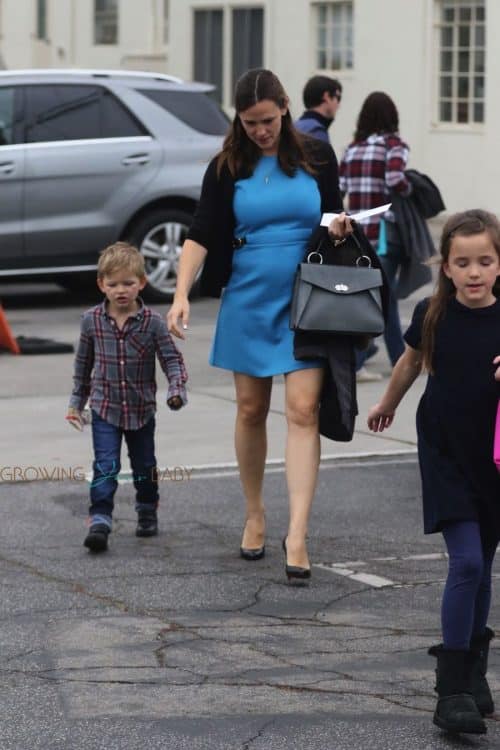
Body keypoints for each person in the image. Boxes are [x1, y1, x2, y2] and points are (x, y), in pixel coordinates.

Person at [167, 68, 353, 584]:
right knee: (251, 409)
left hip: (307, 296)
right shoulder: (226, 165)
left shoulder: (316, 156)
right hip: (248, 295)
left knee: (302, 409)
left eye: (267, 120)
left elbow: (333, 216)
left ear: (285, 107)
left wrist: (339, 225)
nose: (261, 131)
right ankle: (254, 513)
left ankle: (297, 532)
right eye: (250, 123)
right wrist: (181, 292)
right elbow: (201, 231)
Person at [367, 209, 500, 735]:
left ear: (499, 265)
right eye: (462, 262)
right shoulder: (432, 313)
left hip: (491, 459)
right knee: (466, 563)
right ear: (445, 266)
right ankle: (451, 692)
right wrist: (387, 403)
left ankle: (474, 674)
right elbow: (409, 362)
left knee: (483, 564)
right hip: (445, 454)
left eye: (484, 261)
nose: (473, 272)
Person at [67, 242, 188, 553]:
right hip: (105, 408)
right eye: (113, 284)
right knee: (105, 464)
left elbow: (172, 361)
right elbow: (83, 366)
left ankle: (147, 508)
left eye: (128, 283)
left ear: (142, 283)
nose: (121, 290)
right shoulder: (91, 321)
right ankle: (100, 519)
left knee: (144, 465)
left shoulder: (153, 323)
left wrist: (176, 391)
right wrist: (75, 405)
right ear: (101, 285)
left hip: (141, 410)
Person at [339, 91, 411, 380]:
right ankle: (359, 360)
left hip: (358, 236)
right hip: (384, 234)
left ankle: (396, 357)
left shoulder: (352, 149)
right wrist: (410, 190)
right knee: (379, 298)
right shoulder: (395, 146)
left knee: (379, 296)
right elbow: (395, 179)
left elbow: (340, 187)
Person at [295, 75, 342, 144]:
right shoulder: (317, 132)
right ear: (327, 96)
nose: (338, 105)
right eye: (338, 98)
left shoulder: (291, 128)